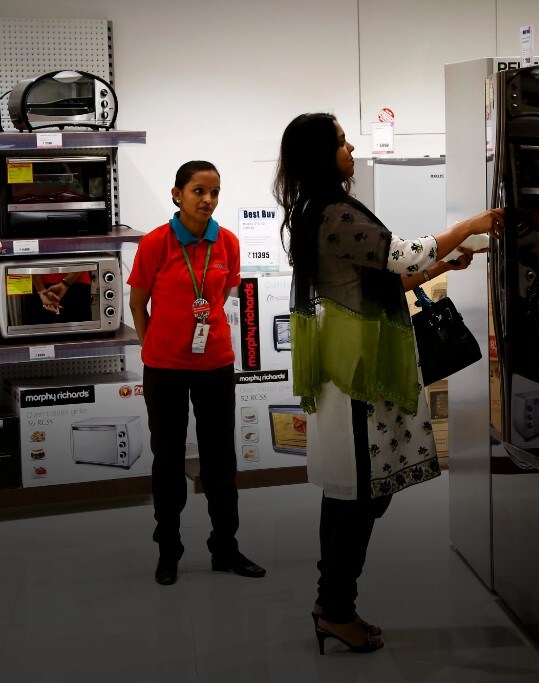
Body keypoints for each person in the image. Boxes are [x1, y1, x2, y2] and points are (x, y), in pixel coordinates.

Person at [274, 112, 500, 655]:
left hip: (354, 367)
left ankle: (333, 604)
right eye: (341, 141)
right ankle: (335, 609)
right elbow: (398, 254)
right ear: (321, 155)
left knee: (356, 494)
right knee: (356, 497)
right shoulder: (332, 212)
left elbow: (380, 277)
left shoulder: (316, 210)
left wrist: (440, 266)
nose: (351, 148)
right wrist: (467, 226)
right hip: (358, 375)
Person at [128, 160, 266, 586]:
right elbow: (138, 304)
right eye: (198, 191)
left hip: (215, 364)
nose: (208, 199)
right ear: (177, 194)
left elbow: (220, 296)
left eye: (214, 192)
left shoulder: (227, 242)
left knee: (220, 459)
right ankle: (168, 549)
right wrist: (153, 346)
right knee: (168, 460)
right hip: (165, 368)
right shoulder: (155, 243)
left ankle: (225, 546)